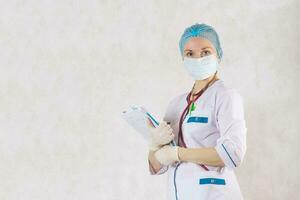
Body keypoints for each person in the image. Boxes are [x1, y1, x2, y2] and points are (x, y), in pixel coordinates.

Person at [147, 23, 247, 200]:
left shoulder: (226, 97)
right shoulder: (176, 104)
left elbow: (233, 153)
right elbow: (158, 166)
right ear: (182, 59)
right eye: (190, 54)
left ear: (219, 54)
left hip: (214, 194)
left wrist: (177, 153)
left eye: (206, 52)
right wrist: (154, 146)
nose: (198, 59)